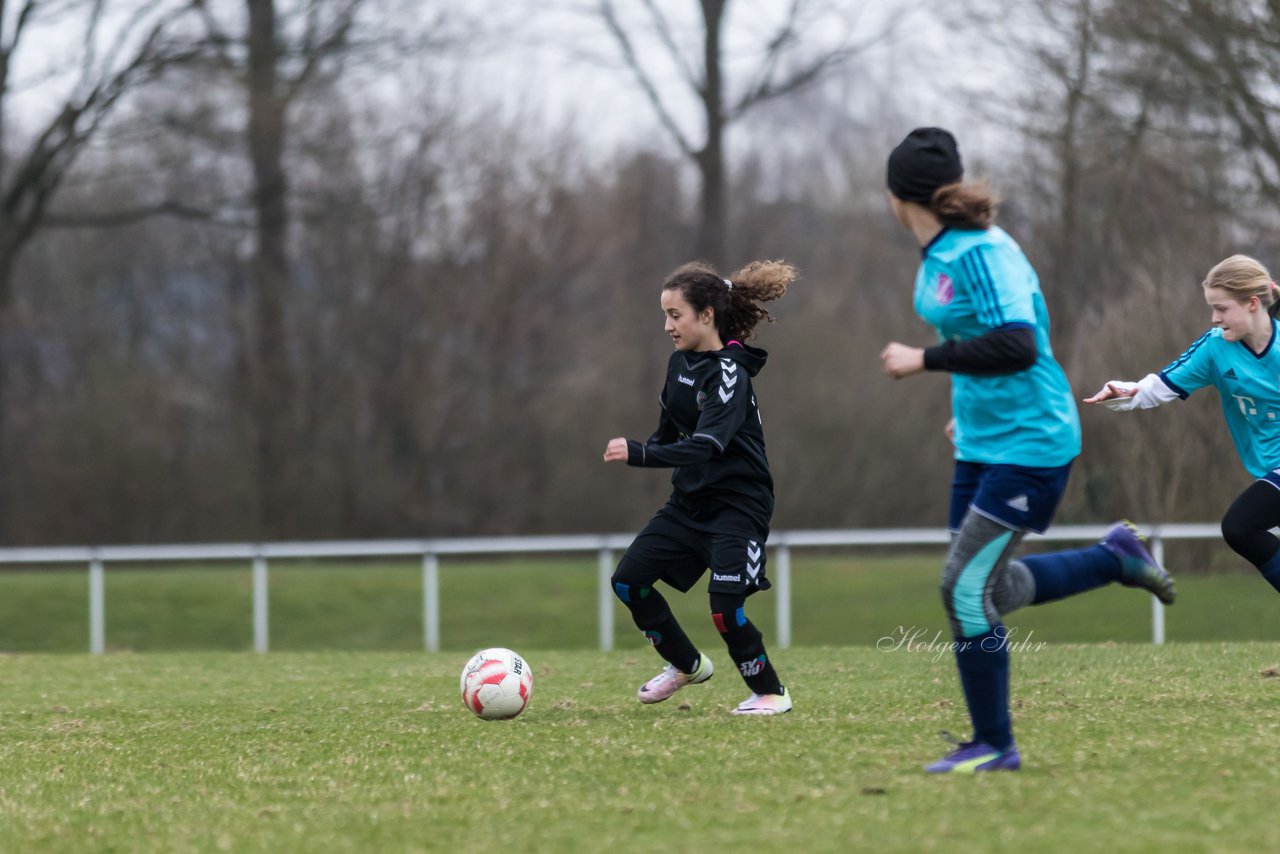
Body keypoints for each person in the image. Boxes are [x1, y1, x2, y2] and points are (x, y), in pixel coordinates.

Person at [878, 127, 1176, 773]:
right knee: (991, 589)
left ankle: (995, 745)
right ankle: (1114, 559)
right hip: (983, 443)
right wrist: (966, 412)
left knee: (962, 588)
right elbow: (985, 346)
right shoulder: (938, 255)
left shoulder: (981, 253)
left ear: (898, 196)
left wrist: (924, 358)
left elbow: (1019, 345)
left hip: (1034, 443)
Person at [603, 259, 795, 715]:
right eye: (665, 315)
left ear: (706, 315)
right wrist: (646, 448)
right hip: (689, 504)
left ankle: (771, 693)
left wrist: (641, 454)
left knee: (725, 610)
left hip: (739, 507)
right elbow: (668, 436)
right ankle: (686, 665)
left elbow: (707, 445)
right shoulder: (678, 365)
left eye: (676, 315)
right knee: (628, 582)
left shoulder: (730, 372)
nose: (668, 325)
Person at [1086, 254, 1280, 592]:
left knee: (1241, 526)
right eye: (1212, 308)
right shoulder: (1215, 348)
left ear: (1252, 303)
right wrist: (1125, 391)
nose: (1214, 318)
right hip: (1267, 467)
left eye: (1221, 309)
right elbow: (1160, 386)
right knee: (1242, 529)